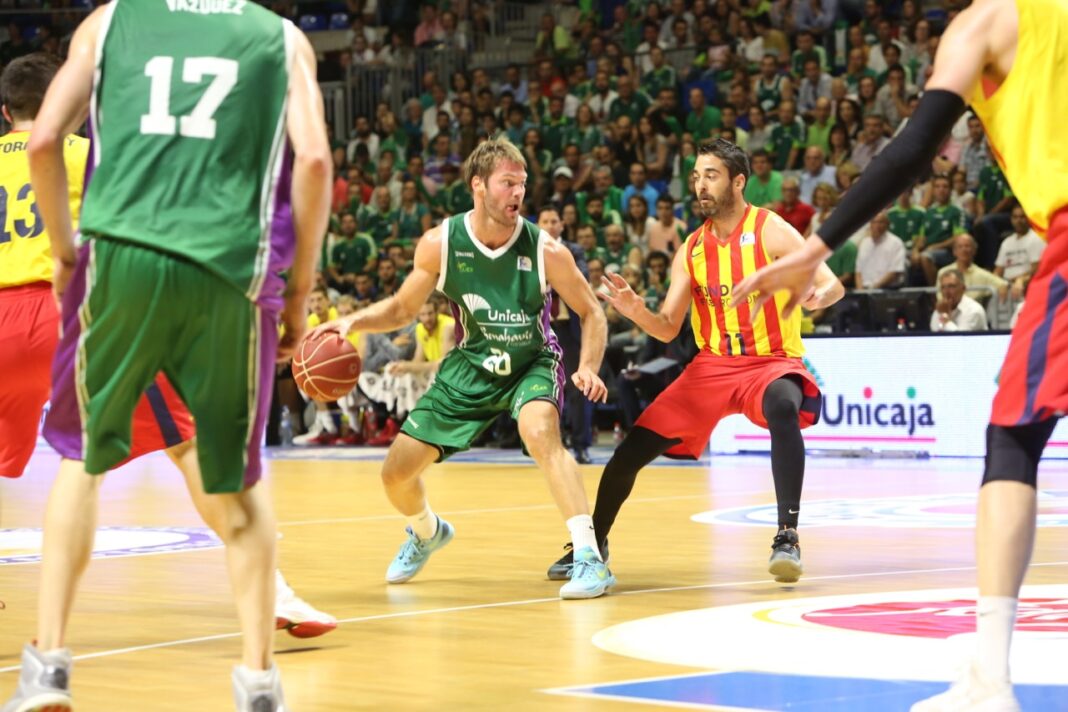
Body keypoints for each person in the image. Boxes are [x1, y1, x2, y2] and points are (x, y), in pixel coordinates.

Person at [733, 1, 1068, 708]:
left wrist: (818, 247)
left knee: (1014, 435)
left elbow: (917, 145)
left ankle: (989, 679)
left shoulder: (986, 23)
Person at [7, 4, 331, 710]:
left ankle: (48, 666)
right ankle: (259, 684)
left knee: (80, 462)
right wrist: (300, 291)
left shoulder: (109, 22)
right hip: (230, 269)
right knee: (234, 475)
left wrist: (65, 256)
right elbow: (312, 161)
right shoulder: (280, 37)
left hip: (120, 260)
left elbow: (44, 141)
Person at [312, 137, 615, 599]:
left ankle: (589, 557)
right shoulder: (441, 243)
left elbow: (592, 311)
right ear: (478, 185)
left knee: (540, 433)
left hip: (531, 361)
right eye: (507, 183)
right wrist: (352, 321)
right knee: (395, 474)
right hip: (471, 364)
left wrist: (589, 366)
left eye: (522, 183)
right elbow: (402, 309)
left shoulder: (545, 249)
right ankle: (426, 531)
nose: (518, 192)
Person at [547, 139, 843, 585]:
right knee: (628, 452)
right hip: (711, 367)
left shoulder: (772, 230)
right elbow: (668, 327)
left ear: (738, 182)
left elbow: (833, 283)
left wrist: (819, 296)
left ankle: (787, 537)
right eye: (697, 176)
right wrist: (636, 311)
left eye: (711, 175)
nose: (701, 185)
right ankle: (593, 544)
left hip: (770, 362)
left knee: (783, 405)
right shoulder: (692, 249)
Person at [538, 205, 594, 465]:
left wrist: (551, 273)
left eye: (554, 221)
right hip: (538, 329)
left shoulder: (573, 251)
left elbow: (580, 277)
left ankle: (581, 445)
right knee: (543, 389)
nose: (550, 226)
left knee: (577, 387)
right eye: (545, 221)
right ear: (538, 226)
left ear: (561, 225)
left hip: (567, 331)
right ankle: (549, 446)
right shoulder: (527, 251)